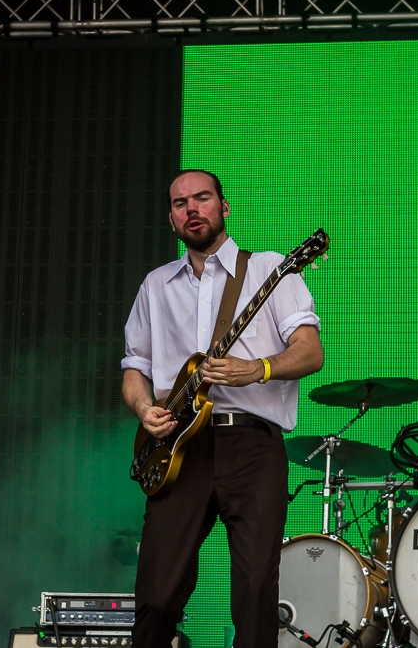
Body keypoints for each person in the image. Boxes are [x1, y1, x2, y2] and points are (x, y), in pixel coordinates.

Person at [121, 169, 324, 647]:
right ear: (171, 219)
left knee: (254, 594)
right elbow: (134, 367)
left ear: (224, 207)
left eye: (202, 198)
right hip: (179, 449)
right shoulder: (156, 284)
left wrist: (257, 369)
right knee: (156, 596)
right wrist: (144, 408)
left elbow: (310, 352)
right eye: (180, 203)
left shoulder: (272, 268)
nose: (192, 209)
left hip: (251, 445)